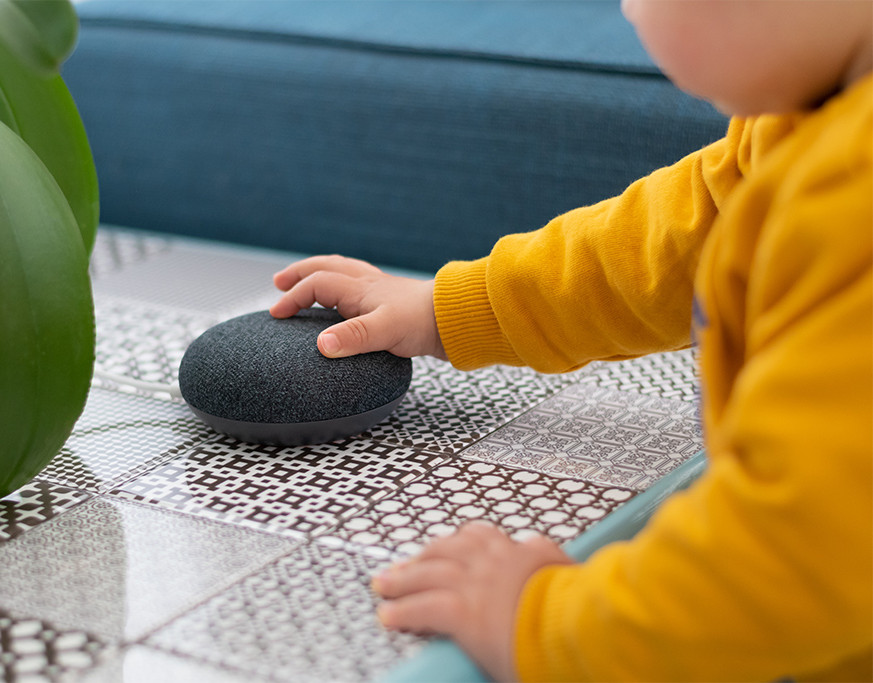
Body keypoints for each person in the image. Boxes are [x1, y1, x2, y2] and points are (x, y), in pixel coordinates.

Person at [269, 0, 873, 680]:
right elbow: (669, 241)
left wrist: (544, 624)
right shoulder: (810, 122)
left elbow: (793, 557)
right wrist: (452, 308)